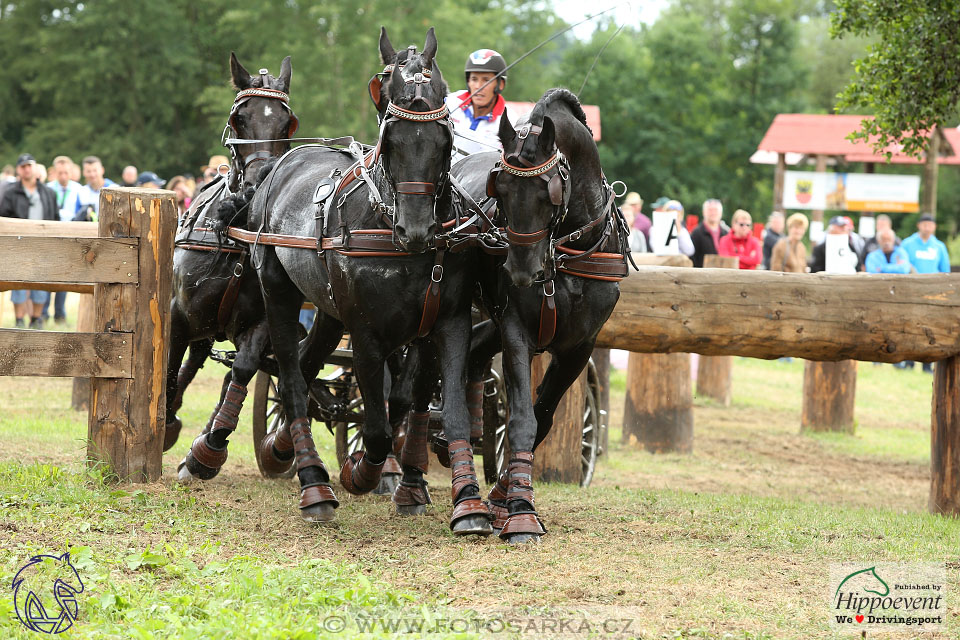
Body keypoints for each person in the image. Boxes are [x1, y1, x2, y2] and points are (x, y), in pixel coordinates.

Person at [0, 154, 58, 328]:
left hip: (43, 243)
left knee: (41, 281)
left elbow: (55, 217)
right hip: (19, 243)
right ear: (19, 170)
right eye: (23, 166)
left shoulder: (48, 192)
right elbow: (4, 217)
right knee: (18, 282)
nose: (26, 169)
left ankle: (36, 318)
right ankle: (19, 319)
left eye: (29, 165)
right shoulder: (11, 193)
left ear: (34, 168)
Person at [445, 49, 516, 157]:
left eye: (486, 80)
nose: (478, 86)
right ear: (468, 82)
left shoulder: (512, 121)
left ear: (500, 84)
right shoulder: (449, 102)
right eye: (474, 79)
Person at [690, 198, 729, 268]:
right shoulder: (696, 233)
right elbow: (692, 258)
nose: (713, 213)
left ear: (721, 213)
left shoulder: (726, 233)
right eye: (710, 210)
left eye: (715, 210)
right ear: (703, 212)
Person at [75, 156, 116, 220]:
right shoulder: (81, 192)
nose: (92, 174)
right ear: (84, 172)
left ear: (102, 170)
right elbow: (77, 216)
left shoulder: (115, 189)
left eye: (95, 170)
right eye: (88, 171)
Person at [47, 156, 82, 221]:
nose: (63, 176)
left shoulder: (79, 189)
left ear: (71, 172)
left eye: (66, 173)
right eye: (60, 173)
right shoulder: (48, 188)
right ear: (55, 172)